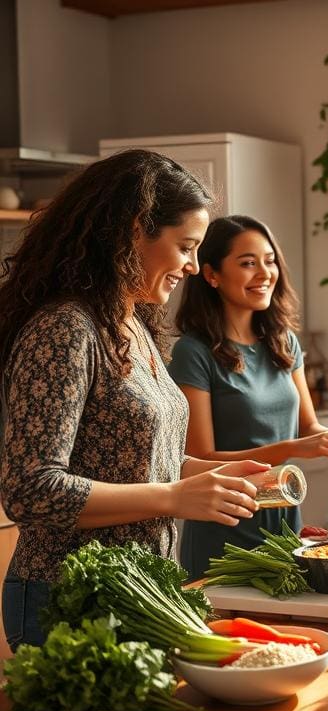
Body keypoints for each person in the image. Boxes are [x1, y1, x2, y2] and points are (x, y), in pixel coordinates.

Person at [0, 150, 269, 650]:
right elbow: (29, 489)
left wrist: (204, 477)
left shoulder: (134, 325)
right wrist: (174, 497)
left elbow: (134, 459)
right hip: (67, 593)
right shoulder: (66, 329)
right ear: (133, 231)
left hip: (142, 590)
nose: (191, 266)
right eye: (185, 246)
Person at [168, 215, 328, 578]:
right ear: (211, 274)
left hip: (285, 524)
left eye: (270, 260)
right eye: (248, 263)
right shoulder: (193, 352)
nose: (265, 272)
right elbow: (200, 458)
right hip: (225, 531)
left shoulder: (283, 342)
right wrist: (291, 449)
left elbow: (307, 426)